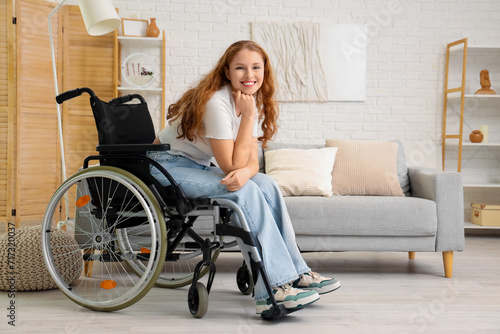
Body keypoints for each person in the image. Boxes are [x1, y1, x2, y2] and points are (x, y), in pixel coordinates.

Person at [148, 40, 340, 315]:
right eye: (240, 68)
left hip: (197, 166)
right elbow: (231, 165)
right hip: (166, 167)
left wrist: (248, 172)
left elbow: (251, 161)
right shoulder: (218, 102)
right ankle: (273, 289)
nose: (249, 75)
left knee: (267, 183)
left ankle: (298, 273)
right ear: (227, 72)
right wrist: (248, 118)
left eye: (255, 67)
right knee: (246, 192)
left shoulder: (249, 100)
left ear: (265, 71)